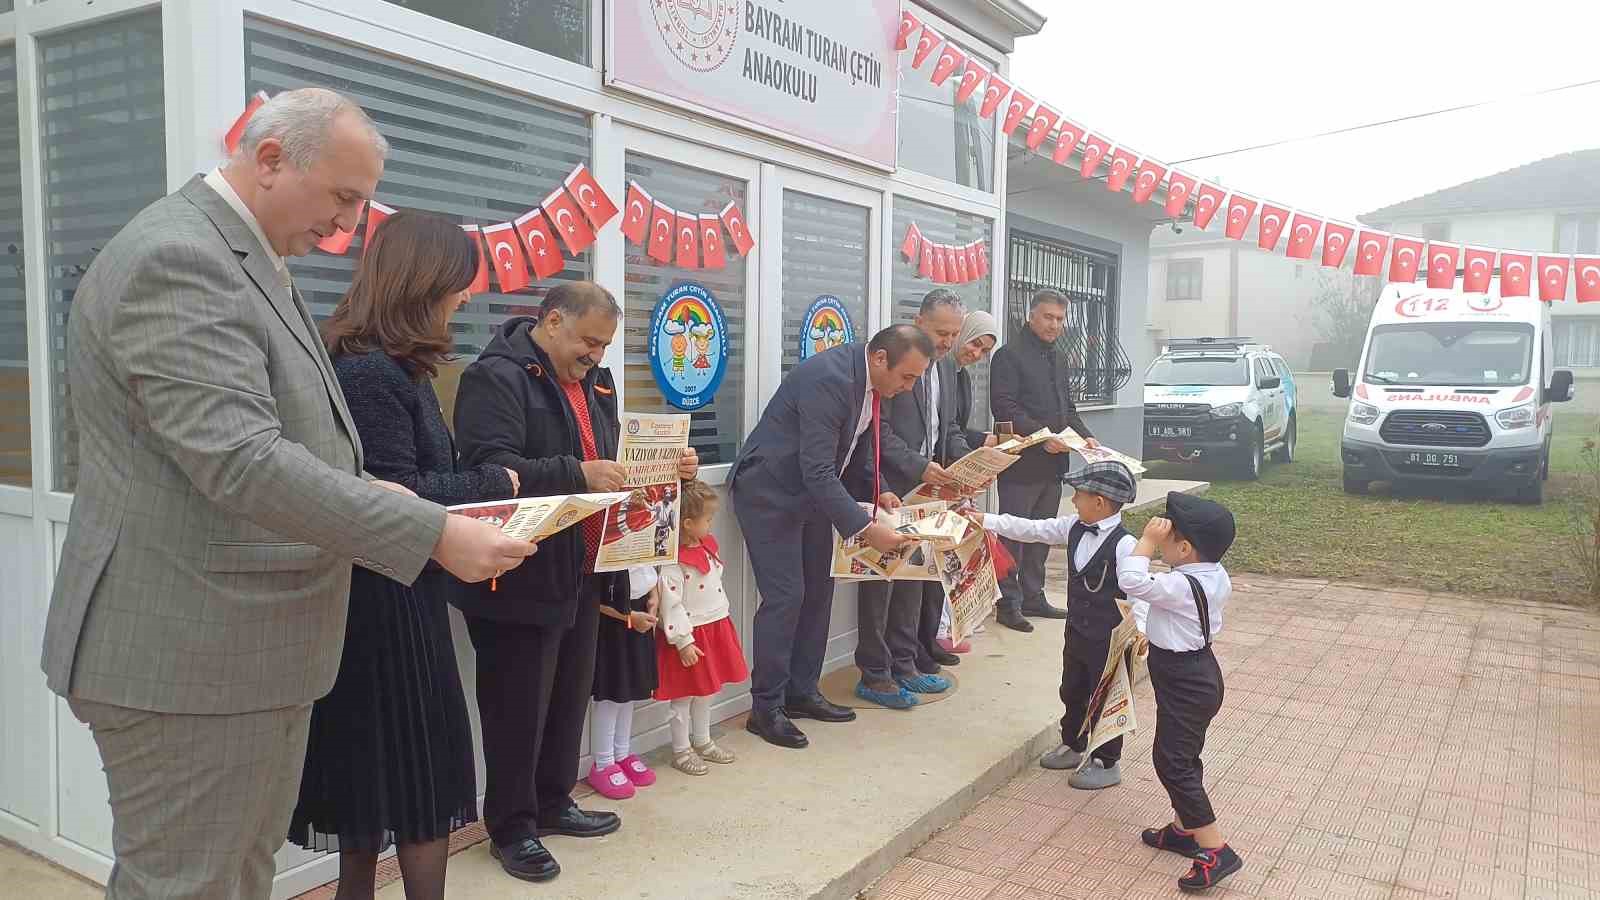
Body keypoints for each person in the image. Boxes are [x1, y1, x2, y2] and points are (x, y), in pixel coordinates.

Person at [38, 89, 534, 900]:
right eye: (342, 198)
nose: (345, 228)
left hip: (240, 655)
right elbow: (240, 460)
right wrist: (433, 535)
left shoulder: (251, 258)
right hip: (188, 658)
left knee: (233, 876)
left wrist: (427, 516)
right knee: (192, 883)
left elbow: (313, 451)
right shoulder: (180, 258)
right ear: (270, 159)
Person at [285, 210, 514, 899]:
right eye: (459, 283)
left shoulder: (398, 369)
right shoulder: (368, 373)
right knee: (411, 788)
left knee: (381, 793)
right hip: (381, 610)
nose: (467, 297)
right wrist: (490, 484)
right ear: (423, 283)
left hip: (404, 592)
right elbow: (396, 491)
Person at [452, 281, 698, 883]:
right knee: (517, 709)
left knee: (566, 699)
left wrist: (669, 464)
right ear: (553, 321)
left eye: (605, 345)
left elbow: (613, 452)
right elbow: (490, 471)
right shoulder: (497, 378)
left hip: (586, 568)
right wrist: (577, 474)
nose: (596, 355)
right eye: (589, 341)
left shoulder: (596, 381)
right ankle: (510, 828)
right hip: (518, 574)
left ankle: (554, 800)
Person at [730, 325, 930, 749]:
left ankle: (802, 692)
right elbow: (818, 468)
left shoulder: (874, 385)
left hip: (811, 496)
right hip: (771, 492)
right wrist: (863, 529)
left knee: (820, 591)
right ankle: (765, 708)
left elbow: (856, 447)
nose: (908, 388)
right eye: (907, 377)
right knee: (787, 597)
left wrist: (877, 492)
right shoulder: (830, 379)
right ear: (879, 359)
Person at [970, 461, 1139, 791]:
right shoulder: (1073, 526)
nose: (1073, 501)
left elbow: (1139, 592)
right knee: (1072, 687)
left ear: (1100, 503)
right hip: (1077, 631)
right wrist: (985, 520)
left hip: (1109, 636)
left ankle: (1106, 759)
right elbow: (1031, 529)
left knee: (1105, 695)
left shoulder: (1125, 545)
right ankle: (1073, 743)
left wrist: (1141, 632)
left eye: (1078, 494)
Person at [853, 290, 971, 709]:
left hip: (929, 490)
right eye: (941, 332)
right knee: (882, 582)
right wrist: (918, 466)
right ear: (919, 321)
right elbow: (877, 433)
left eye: (954, 334)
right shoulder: (897, 365)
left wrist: (966, 465)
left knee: (915, 579)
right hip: (887, 486)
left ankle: (905, 664)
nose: (947, 341)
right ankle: (875, 672)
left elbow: (948, 427)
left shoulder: (949, 372)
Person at [1120, 493, 1241, 892]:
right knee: (1183, 756)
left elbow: (1132, 580)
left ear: (1184, 548)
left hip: (1186, 681)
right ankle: (1183, 829)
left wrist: (1146, 542)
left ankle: (1216, 850)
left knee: (1172, 762)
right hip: (1195, 675)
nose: (1160, 542)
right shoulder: (1212, 574)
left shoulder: (1182, 584)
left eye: (1168, 537)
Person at [989, 290, 1101, 633]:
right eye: (1048, 317)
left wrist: (1086, 437)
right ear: (1031, 316)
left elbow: (1068, 408)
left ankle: (1033, 596)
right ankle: (1008, 604)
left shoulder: (1060, 358)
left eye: (1059, 319)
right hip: (1021, 465)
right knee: (1015, 535)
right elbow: (1005, 407)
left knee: (1042, 535)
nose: (1054, 324)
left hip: (1054, 466)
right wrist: (1043, 436)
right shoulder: (1008, 356)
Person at [654, 479, 749, 774]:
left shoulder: (707, 547)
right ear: (687, 523)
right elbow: (671, 604)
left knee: (706, 692)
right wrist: (683, 641)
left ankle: (703, 740)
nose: (711, 524)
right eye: (707, 519)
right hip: (691, 635)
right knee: (683, 697)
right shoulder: (673, 564)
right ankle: (681, 750)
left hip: (714, 627)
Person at [937, 309, 1001, 655]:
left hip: (950, 468)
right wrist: (967, 460)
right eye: (974, 343)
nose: (975, 353)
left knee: (958, 551)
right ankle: (940, 629)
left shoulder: (959, 374)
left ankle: (951, 625)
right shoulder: (943, 367)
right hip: (936, 471)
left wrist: (982, 441)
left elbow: (955, 427)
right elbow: (945, 430)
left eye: (983, 351)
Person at [586, 564, 661, 800]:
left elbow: (654, 567)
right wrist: (628, 617)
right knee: (612, 692)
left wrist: (654, 595)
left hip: (639, 615)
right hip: (614, 621)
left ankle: (622, 754)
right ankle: (603, 762)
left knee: (630, 691)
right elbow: (592, 596)